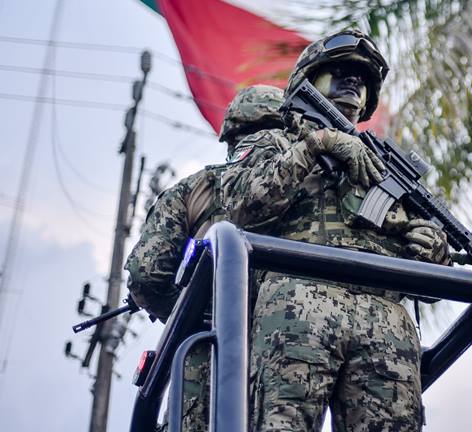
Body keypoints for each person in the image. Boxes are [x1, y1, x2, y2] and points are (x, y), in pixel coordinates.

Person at [222, 29, 451, 432]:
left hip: (385, 320)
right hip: (300, 298)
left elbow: (431, 282)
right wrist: (317, 145)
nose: (353, 83)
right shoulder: (275, 141)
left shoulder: (383, 167)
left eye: (362, 80)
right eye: (340, 72)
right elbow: (241, 207)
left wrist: (433, 249)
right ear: (308, 82)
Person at [125, 84, 286, 432]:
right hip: (286, 357)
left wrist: (193, 313)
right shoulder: (311, 184)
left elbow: (145, 275)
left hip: (205, 357)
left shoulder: (194, 188)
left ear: (232, 135)